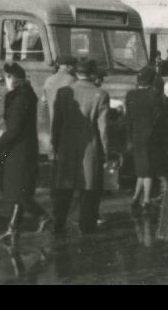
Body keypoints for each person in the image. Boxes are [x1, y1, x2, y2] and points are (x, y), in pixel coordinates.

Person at [0, 63, 51, 248]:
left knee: (19, 191)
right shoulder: (23, 95)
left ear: (13, 78)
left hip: (20, 150)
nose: (5, 81)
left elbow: (14, 128)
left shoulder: (21, 98)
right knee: (20, 190)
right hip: (20, 149)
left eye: (6, 78)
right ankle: (13, 228)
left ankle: (43, 216)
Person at [50, 58, 110, 236]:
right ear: (92, 74)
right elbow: (103, 129)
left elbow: (56, 123)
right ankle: (86, 225)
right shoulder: (101, 94)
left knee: (64, 189)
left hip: (66, 147)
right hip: (90, 149)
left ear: (76, 73)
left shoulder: (63, 93)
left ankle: (58, 223)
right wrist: (106, 152)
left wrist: (55, 146)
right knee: (89, 189)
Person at [126, 66, 168, 212]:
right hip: (153, 136)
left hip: (136, 135)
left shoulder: (131, 95)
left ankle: (135, 197)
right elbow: (161, 118)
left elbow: (128, 119)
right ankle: (146, 200)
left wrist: (129, 138)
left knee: (141, 168)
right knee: (149, 169)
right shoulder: (155, 96)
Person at [41, 56, 77, 160]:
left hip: (52, 121)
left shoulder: (49, 80)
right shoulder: (72, 81)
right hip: (67, 124)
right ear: (69, 67)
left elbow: (44, 101)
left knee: (54, 153)